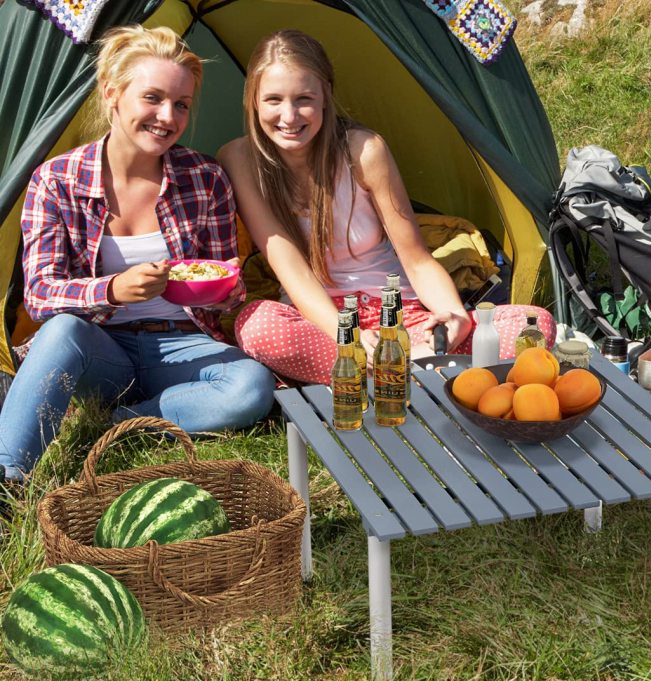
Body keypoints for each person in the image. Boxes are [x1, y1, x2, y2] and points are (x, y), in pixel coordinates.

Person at [0, 25, 276, 496]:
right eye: (153, 98)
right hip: (99, 349)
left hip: (183, 344)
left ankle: (118, 423)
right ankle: (9, 479)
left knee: (251, 385)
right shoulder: (56, 180)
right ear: (112, 94)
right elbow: (40, 294)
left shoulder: (205, 178)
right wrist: (111, 289)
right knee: (63, 330)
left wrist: (227, 292)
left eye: (181, 104)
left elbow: (223, 274)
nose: (167, 116)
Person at [218, 29, 555, 384]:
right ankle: (419, 374)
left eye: (304, 98)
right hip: (321, 322)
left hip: (399, 315)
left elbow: (416, 258)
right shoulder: (240, 159)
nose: (289, 116)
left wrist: (451, 313)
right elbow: (293, 273)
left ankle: (374, 375)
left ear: (325, 98)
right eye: (273, 100)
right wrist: (348, 336)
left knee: (533, 325)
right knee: (257, 325)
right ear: (253, 100)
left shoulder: (363, 151)